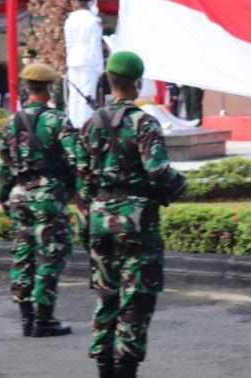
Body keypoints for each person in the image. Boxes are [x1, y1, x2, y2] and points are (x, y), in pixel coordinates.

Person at [70, 51, 187, 378]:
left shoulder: (90, 124)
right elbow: (157, 170)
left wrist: (85, 225)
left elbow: (82, 181)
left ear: (110, 81)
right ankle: (126, 370)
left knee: (106, 297)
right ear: (137, 83)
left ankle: (105, 369)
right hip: (136, 223)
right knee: (135, 300)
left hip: (99, 220)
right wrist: (179, 187)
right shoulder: (143, 122)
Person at [0, 63, 74, 339]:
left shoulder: (11, 122)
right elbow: (75, 158)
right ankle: (44, 318)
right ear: (50, 88)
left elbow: (4, 165)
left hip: (19, 193)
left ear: (26, 87)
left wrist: (4, 195)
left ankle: (26, 318)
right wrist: (74, 189)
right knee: (50, 254)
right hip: (48, 193)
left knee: (23, 253)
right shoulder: (57, 120)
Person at [65, 0, 104, 128]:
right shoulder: (93, 20)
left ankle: (73, 122)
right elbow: (96, 44)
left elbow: (68, 43)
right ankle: (85, 124)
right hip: (89, 60)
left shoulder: (70, 20)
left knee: (74, 94)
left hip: (73, 59)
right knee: (87, 93)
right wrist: (100, 66)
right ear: (90, 2)